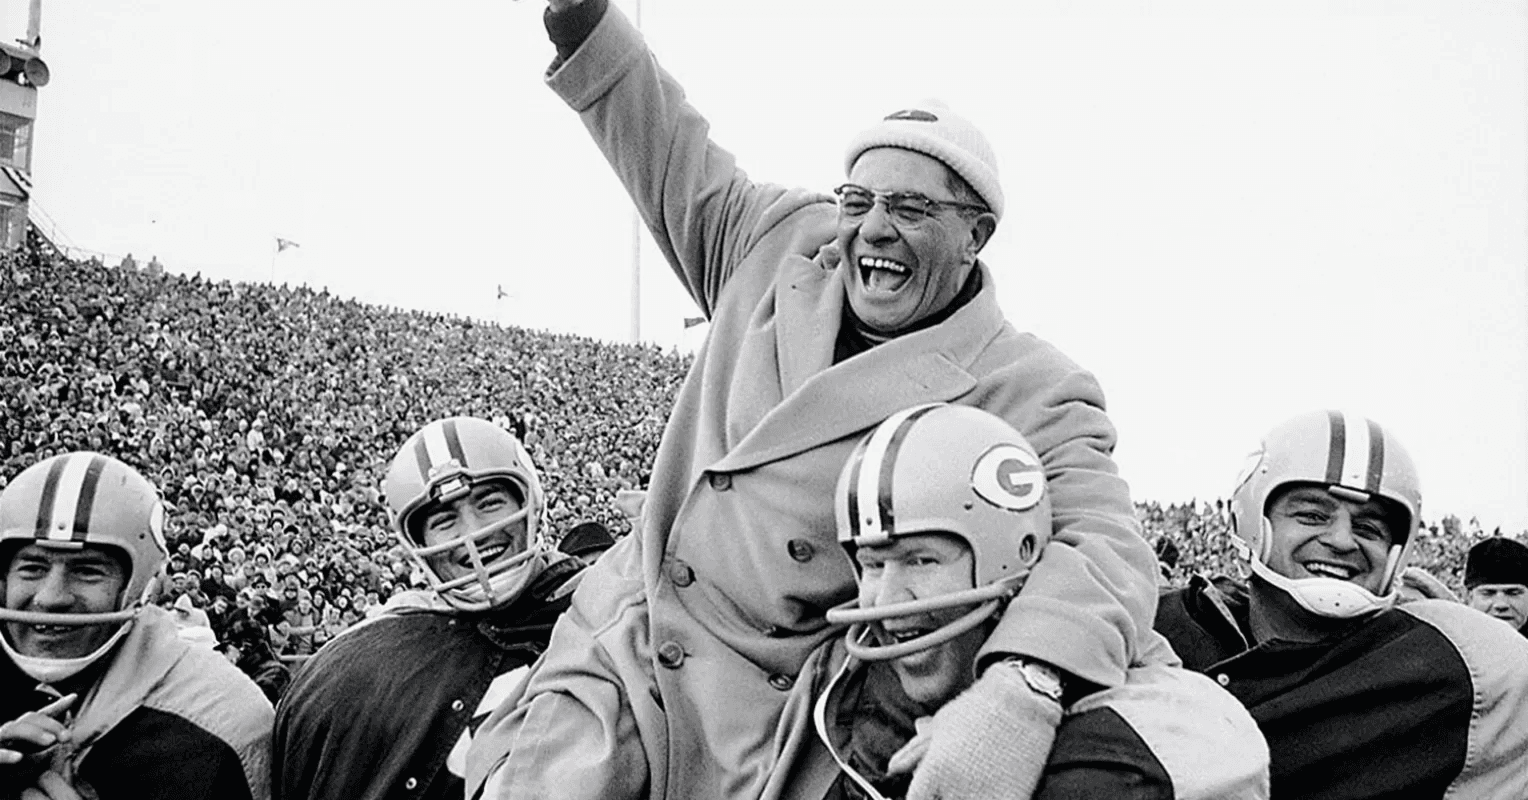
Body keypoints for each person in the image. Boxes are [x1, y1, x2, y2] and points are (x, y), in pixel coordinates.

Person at [468, 2, 1158, 797]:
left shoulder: (1028, 385)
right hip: (630, 635)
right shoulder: (778, 244)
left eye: (911, 209)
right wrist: (585, 24)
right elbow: (669, 149)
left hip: (776, 701)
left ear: (976, 236)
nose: (873, 229)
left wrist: (1022, 686)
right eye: (858, 201)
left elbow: (1105, 543)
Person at [766, 404, 1268, 800]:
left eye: (921, 560)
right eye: (873, 565)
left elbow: (1206, 753)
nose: (889, 599)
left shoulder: (1142, 736)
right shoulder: (853, 700)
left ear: (1012, 556)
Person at [1155, 410, 1528, 798]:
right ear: (1251, 523)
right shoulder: (1153, 629)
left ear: (1396, 554)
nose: (1342, 540)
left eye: (1368, 528)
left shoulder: (1460, 662)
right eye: (1312, 515)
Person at [271, 417, 585, 800]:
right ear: (419, 544)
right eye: (444, 520)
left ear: (530, 501)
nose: (473, 532)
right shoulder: (370, 655)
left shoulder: (599, 607)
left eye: (489, 503)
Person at [0, 452, 273, 800]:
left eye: (87, 571)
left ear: (139, 587)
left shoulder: (222, 719)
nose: (51, 598)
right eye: (33, 568)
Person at [1462, 536, 1528, 637]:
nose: (1501, 605)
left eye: (1513, 593)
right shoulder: (1447, 642)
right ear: (1468, 597)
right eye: (1488, 593)